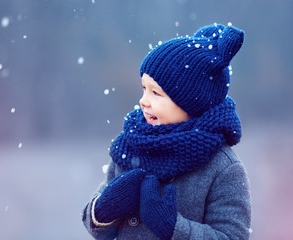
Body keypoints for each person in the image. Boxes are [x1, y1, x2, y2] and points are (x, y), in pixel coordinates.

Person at [82, 23, 251, 240]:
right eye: (144, 89)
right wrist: (105, 209)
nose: (143, 101)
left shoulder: (223, 168)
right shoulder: (132, 144)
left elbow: (233, 236)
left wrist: (173, 228)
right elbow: (92, 223)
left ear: (190, 102)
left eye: (156, 93)